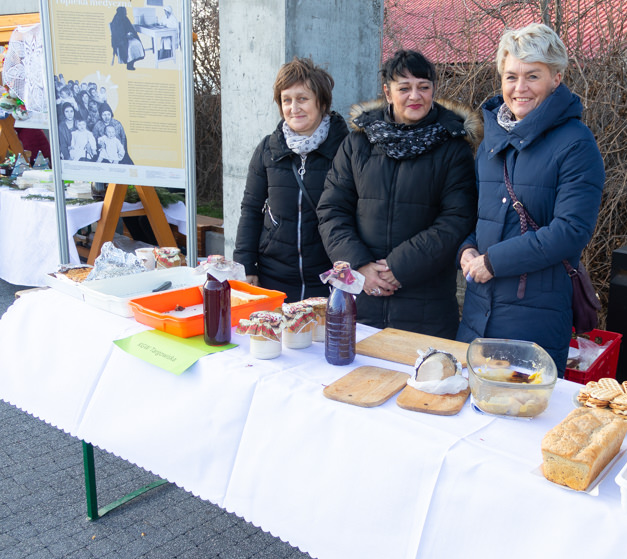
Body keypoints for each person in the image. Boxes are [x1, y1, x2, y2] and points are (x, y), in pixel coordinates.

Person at [456, 23, 606, 374]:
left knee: (521, 416)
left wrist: (493, 262)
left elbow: (571, 231)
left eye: (532, 76)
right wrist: (466, 249)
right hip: (477, 314)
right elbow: (483, 221)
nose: (519, 88)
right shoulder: (492, 143)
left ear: (556, 78)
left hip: (533, 316)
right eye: (510, 77)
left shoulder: (576, 144)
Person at [317, 50, 479, 339]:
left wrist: (398, 267)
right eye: (404, 88)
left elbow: (457, 220)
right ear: (388, 93)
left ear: (434, 90)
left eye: (423, 87)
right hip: (360, 301)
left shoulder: (454, 149)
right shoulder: (357, 145)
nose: (414, 96)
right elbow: (331, 211)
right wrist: (360, 266)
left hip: (427, 309)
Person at [233, 58, 350, 302]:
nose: (294, 107)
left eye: (302, 98)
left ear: (322, 102)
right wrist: (246, 265)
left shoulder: (347, 149)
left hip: (328, 280)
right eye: (287, 100)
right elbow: (251, 209)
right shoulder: (268, 149)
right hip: (274, 278)